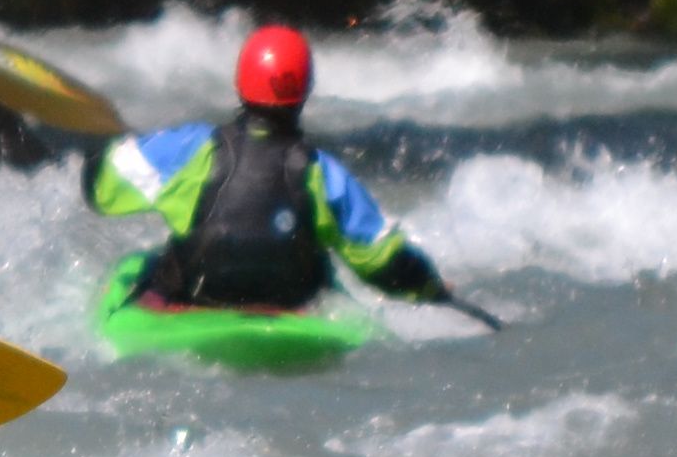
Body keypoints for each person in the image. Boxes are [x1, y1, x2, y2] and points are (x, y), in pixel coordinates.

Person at [85, 24, 455, 314]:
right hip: (289, 309)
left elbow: (101, 191)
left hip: (195, 301)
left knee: (154, 262)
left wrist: (101, 149)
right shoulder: (322, 174)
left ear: (240, 82)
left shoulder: (190, 149)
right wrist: (429, 286)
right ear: (305, 89)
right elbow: (384, 261)